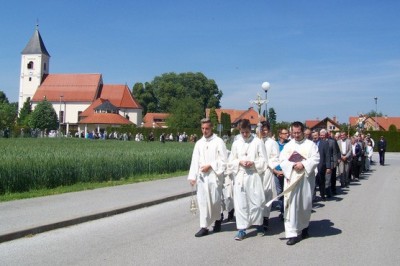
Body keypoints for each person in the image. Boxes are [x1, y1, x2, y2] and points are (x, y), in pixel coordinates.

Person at [279, 121, 319, 245]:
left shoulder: (311, 145)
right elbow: (282, 160)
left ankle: (304, 227)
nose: (296, 135)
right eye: (294, 133)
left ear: (303, 131)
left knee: (304, 205)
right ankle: (292, 234)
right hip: (292, 179)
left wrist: (304, 164)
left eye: (298, 132)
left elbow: (316, 158)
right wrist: (292, 165)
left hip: (305, 180)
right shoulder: (288, 146)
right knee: (291, 206)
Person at [188, 118, 229, 237]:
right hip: (202, 178)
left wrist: (211, 166)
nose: (204, 131)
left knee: (215, 200)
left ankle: (217, 220)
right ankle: (204, 226)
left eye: (207, 128)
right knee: (203, 201)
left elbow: (223, 160)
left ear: (211, 128)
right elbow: (195, 160)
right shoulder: (199, 143)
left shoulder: (218, 141)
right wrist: (192, 176)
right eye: (202, 129)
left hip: (214, 177)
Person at [228, 119, 267, 240]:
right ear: (239, 131)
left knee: (257, 202)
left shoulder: (257, 142)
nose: (244, 135)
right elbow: (231, 161)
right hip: (241, 176)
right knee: (241, 203)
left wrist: (253, 163)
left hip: (253, 175)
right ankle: (242, 229)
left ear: (250, 130)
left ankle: (258, 224)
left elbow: (264, 160)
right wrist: (240, 162)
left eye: (246, 132)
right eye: (242, 132)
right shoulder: (236, 143)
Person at [260, 121, 280, 231]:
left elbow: (276, 157)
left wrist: (269, 164)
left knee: (266, 195)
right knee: (257, 196)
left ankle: (266, 218)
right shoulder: (256, 141)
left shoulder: (272, 143)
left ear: (269, 131)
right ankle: (258, 218)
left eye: (265, 129)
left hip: (267, 171)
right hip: (256, 172)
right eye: (261, 129)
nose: (263, 131)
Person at [272, 127, 290, 220]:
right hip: (276, 172)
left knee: (287, 192)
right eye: (285, 133)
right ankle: (282, 211)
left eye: (287, 133)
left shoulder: (289, 145)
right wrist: (276, 171)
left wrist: (285, 171)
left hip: (286, 172)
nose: (287, 134)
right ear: (280, 135)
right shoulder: (275, 145)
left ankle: (286, 211)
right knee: (279, 193)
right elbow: (271, 159)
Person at [312, 130, 331, 201]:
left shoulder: (324, 143)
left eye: (316, 135)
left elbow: (328, 155)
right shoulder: (310, 143)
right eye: (313, 136)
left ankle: (322, 195)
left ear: (319, 135)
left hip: (321, 166)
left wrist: (328, 167)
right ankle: (313, 197)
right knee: (312, 182)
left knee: (321, 182)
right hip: (312, 166)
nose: (315, 137)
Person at [320, 129, 340, 195]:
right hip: (322, 162)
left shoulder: (332, 142)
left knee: (332, 177)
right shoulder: (319, 142)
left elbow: (335, 153)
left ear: (326, 135)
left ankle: (332, 190)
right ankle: (325, 191)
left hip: (331, 162)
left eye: (323, 135)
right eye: (321, 135)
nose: (322, 136)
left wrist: (335, 163)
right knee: (324, 178)